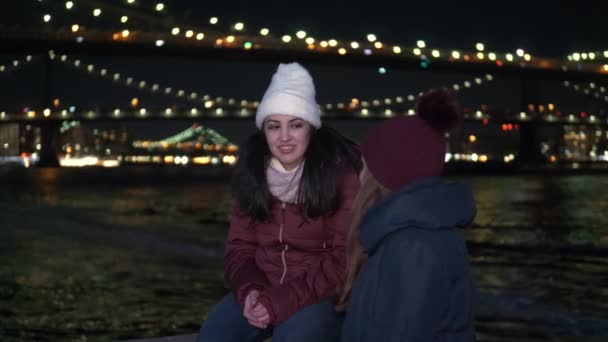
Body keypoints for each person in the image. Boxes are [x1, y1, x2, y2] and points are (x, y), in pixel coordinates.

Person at [196, 62, 361, 342]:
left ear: (311, 128)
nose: (284, 137)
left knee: (294, 336)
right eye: (274, 126)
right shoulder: (252, 174)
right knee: (214, 335)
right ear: (265, 131)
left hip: (322, 293)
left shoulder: (340, 176)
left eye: (295, 125)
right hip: (263, 287)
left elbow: (342, 260)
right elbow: (240, 248)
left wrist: (279, 301)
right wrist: (251, 291)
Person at [337, 88, 477, 341]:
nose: (358, 175)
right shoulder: (405, 238)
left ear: (383, 176)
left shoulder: (412, 248)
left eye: (364, 165)